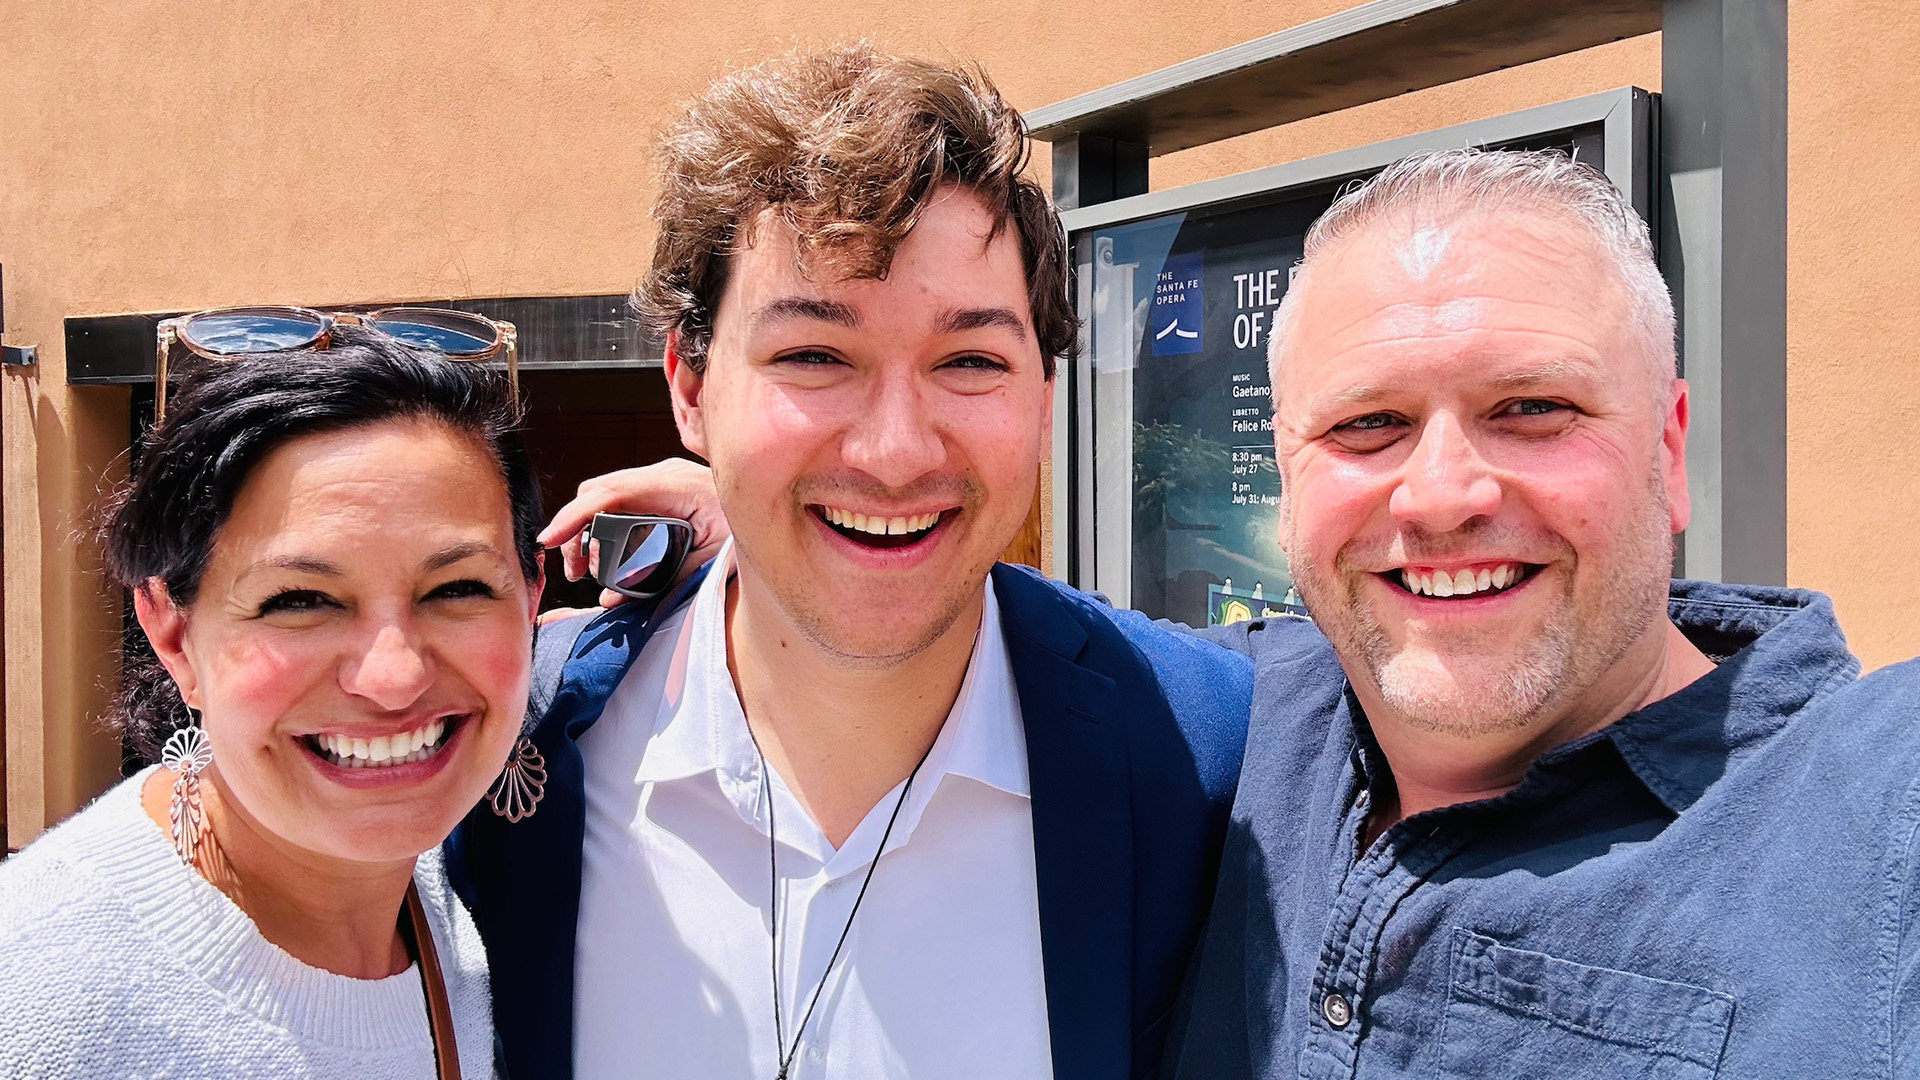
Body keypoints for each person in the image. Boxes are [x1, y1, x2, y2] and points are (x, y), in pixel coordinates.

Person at [445, 44, 1254, 1080]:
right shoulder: (512, 756)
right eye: (816, 357)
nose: (895, 451)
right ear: (691, 389)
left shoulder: (1206, 750)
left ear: (1044, 400)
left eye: (969, 361)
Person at [1160, 149, 1920, 1077]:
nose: (1440, 496)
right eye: (1367, 425)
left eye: (1532, 407)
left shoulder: (1878, 819)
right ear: (1287, 476)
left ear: (1669, 451)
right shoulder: (1224, 717)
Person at [0, 325, 546, 1079]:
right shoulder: (39, 1000)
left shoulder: (460, 916)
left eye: (457, 588)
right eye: (299, 600)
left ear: (531, 603)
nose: (393, 677)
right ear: (173, 632)